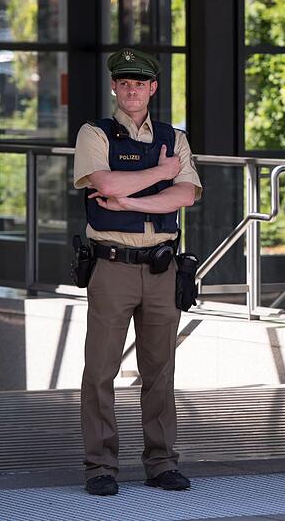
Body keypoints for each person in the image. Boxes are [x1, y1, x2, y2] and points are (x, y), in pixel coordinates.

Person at [72, 48, 202, 496]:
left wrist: (130, 200)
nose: (131, 89)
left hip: (162, 266)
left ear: (153, 88)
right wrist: (159, 172)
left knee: (160, 370)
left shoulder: (174, 137)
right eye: (124, 82)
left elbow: (184, 195)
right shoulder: (95, 134)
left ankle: (162, 462)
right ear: (114, 87)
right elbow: (103, 183)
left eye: (140, 83)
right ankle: (101, 466)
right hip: (112, 266)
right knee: (101, 370)